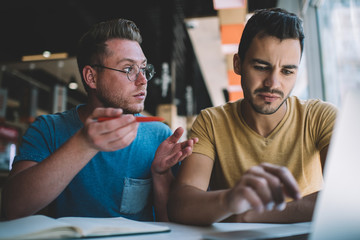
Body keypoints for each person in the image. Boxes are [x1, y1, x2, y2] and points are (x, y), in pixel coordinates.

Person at [1, 18, 198, 221]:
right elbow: (14, 208)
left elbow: (176, 226)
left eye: (144, 68)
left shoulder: (160, 136)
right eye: (128, 69)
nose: (143, 80)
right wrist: (84, 144)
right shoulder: (48, 129)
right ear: (91, 77)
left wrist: (161, 174)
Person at [168, 8, 337, 226]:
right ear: (238, 64)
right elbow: (180, 205)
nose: (273, 84)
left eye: (287, 71)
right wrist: (229, 199)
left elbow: (345, 194)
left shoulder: (320, 117)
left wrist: (248, 214)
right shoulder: (211, 122)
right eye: (260, 67)